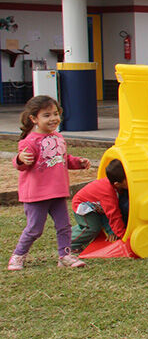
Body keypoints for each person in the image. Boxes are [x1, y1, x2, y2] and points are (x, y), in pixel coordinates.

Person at [8, 95, 92, 270]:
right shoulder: (29, 141)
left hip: (58, 192)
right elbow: (21, 164)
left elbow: (63, 158)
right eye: (46, 115)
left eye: (55, 113)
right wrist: (20, 159)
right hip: (37, 194)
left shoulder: (58, 138)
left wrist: (78, 162)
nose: (53, 118)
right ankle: (18, 256)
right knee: (34, 229)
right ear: (34, 119)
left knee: (64, 226)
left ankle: (65, 256)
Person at [70, 160, 128, 253]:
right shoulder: (108, 193)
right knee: (92, 227)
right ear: (117, 183)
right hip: (82, 205)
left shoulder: (115, 186)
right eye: (127, 180)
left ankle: (68, 233)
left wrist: (111, 231)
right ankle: (69, 242)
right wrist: (123, 236)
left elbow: (107, 213)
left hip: (98, 207)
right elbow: (113, 215)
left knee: (100, 221)